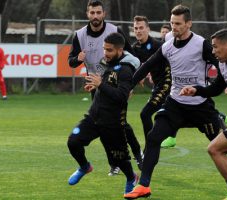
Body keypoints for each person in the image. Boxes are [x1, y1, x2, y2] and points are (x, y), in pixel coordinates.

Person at [124, 5, 227, 199]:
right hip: (176, 104)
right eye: (171, 23)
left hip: (201, 108)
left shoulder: (202, 44)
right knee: (153, 137)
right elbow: (148, 65)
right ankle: (143, 185)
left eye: (178, 24)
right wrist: (128, 86)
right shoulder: (167, 47)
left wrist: (220, 83)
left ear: (188, 24)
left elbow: (222, 65)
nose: (173, 27)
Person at [68, 0, 143, 176]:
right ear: (87, 14)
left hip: (117, 83)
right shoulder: (79, 35)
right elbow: (72, 61)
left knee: (118, 124)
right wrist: (78, 59)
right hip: (97, 85)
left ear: (104, 14)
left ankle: (136, 155)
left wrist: (131, 82)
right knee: (104, 125)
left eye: (98, 12)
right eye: (92, 13)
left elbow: (130, 55)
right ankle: (116, 163)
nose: (95, 16)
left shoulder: (115, 31)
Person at [180, 29, 227, 200]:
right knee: (217, 148)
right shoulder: (224, 65)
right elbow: (215, 89)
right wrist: (195, 90)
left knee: (214, 148)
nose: (213, 52)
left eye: (215, 47)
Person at [67, 32, 139, 195]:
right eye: (104, 49)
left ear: (120, 51)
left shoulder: (126, 70)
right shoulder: (108, 64)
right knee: (73, 142)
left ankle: (131, 178)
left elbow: (122, 97)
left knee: (119, 159)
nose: (105, 53)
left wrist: (100, 85)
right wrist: (96, 86)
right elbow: (107, 84)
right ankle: (85, 167)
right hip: (93, 117)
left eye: (109, 50)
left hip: (112, 123)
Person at [132, 15, 173, 151]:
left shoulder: (158, 45)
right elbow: (135, 67)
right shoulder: (135, 49)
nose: (138, 31)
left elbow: (171, 61)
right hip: (157, 85)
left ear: (148, 29)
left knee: (145, 114)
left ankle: (150, 148)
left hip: (167, 83)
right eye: (136, 28)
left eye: (141, 28)